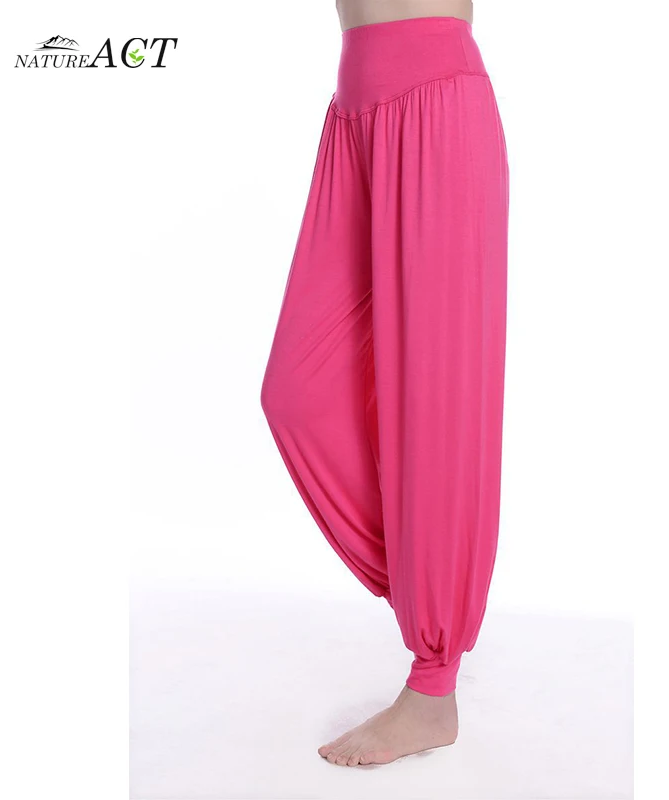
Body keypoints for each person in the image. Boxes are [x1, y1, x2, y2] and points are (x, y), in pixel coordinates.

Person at [260, 0, 509, 766]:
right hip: (353, 111)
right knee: (295, 394)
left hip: (436, 103)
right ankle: (424, 573)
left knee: (433, 406)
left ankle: (434, 685)